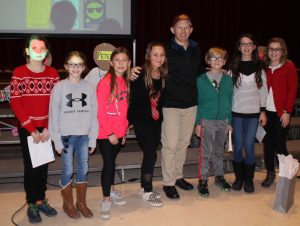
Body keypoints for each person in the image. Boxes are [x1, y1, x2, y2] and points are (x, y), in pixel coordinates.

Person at [131, 14, 205, 199]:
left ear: (191, 29)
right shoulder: (167, 50)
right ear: (172, 30)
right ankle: (168, 182)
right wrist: (133, 70)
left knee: (183, 144)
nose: (183, 30)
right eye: (179, 27)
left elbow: (198, 72)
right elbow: (152, 65)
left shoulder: (196, 49)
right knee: (170, 145)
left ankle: (178, 176)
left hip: (190, 104)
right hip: (170, 104)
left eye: (186, 27)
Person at [10, 34, 58, 224]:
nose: (39, 51)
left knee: (44, 164)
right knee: (32, 167)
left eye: (42, 48)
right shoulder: (19, 72)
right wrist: (31, 129)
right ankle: (31, 203)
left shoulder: (53, 72)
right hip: (28, 128)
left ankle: (40, 199)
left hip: (46, 128)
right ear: (27, 51)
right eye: (34, 48)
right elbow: (16, 103)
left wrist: (47, 127)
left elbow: (55, 102)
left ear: (46, 52)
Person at [49, 51, 98, 219]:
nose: (75, 68)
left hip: (84, 136)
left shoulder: (89, 87)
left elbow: (93, 114)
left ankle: (81, 203)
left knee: (83, 169)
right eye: (72, 64)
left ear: (84, 67)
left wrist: (93, 137)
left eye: (79, 64)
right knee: (68, 169)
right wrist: (57, 141)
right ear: (66, 66)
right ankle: (68, 203)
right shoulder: (59, 87)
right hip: (66, 137)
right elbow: (54, 115)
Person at [127, 42, 167, 207]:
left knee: (151, 153)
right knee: (151, 152)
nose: (159, 58)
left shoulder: (165, 75)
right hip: (142, 120)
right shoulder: (139, 73)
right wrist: (128, 121)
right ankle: (148, 191)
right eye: (155, 54)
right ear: (149, 56)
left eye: (162, 55)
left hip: (156, 121)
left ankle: (144, 187)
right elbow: (134, 100)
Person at [228, 33, 267, 193]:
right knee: (237, 146)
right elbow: (229, 93)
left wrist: (263, 111)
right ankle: (239, 178)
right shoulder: (233, 67)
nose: (246, 47)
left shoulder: (260, 67)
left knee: (249, 146)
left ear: (254, 46)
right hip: (236, 113)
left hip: (253, 114)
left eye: (249, 44)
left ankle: (249, 180)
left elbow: (263, 91)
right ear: (239, 47)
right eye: (243, 44)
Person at [97, 47, 131, 219]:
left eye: (124, 60)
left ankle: (110, 189)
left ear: (128, 63)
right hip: (106, 133)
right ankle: (106, 198)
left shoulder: (124, 82)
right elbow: (101, 111)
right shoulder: (105, 82)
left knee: (112, 163)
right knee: (109, 165)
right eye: (117, 60)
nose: (120, 63)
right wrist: (110, 132)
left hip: (119, 131)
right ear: (111, 63)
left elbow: (124, 110)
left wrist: (123, 131)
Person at [195, 47, 233, 197]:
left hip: (223, 121)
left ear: (224, 61)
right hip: (207, 121)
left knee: (219, 152)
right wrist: (198, 123)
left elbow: (230, 101)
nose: (217, 61)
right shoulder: (201, 80)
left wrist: (229, 121)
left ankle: (219, 177)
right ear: (208, 60)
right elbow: (199, 102)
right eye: (214, 58)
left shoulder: (228, 80)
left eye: (220, 58)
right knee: (205, 153)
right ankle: (202, 180)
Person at [261, 37, 298, 187]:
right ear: (267, 51)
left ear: (283, 51)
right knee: (267, 144)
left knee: (280, 145)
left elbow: (292, 90)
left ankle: (288, 174)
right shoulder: (264, 67)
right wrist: (261, 110)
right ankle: (270, 173)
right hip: (266, 113)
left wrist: (287, 112)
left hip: (281, 113)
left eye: (278, 49)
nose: (274, 52)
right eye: (271, 49)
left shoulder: (288, 66)